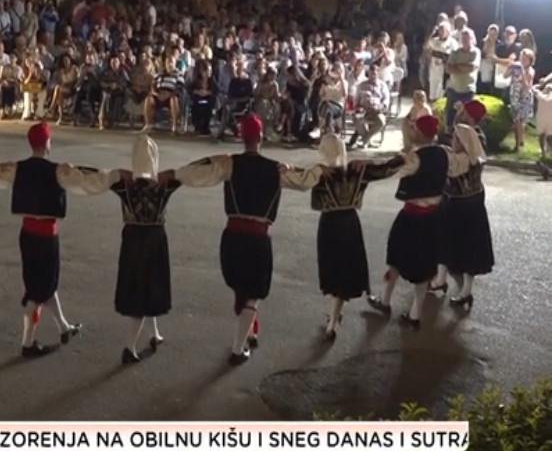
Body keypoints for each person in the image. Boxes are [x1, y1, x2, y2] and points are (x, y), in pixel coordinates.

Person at [164, 114, 324, 364]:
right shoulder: (278, 169)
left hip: (232, 237)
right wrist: (322, 168)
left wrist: (173, 174)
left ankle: (248, 333)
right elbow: (306, 182)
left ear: (241, 137)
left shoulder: (229, 163)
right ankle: (239, 349)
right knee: (253, 293)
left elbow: (199, 172)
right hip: (258, 239)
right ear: (261, 137)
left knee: (241, 288)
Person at [59, 135, 197, 364]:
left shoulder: (123, 182)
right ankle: (129, 347)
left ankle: (154, 333)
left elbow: (93, 178)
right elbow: (192, 173)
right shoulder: (165, 183)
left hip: (132, 238)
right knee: (146, 290)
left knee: (141, 286)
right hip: (154, 239)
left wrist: (114, 174)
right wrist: (172, 173)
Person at [0, 123, 91, 359]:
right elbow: (84, 182)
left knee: (42, 284)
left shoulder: (18, 168)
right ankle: (27, 342)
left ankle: (64, 327)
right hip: (46, 236)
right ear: (47, 143)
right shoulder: (57, 170)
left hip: (27, 234)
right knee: (39, 290)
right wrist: (73, 170)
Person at [367, 115, 472, 330]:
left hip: (411, 217)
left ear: (420, 133)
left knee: (395, 257)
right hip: (433, 218)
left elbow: (388, 170)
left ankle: (385, 301)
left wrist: (361, 170)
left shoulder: (414, 158)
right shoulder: (444, 154)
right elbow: (461, 165)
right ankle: (414, 314)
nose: (411, 130)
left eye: (414, 128)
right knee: (425, 265)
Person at [310, 134, 405, 339]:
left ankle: (333, 321)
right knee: (345, 269)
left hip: (329, 224)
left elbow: (299, 182)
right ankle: (334, 318)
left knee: (333, 269)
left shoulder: (320, 174)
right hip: (350, 222)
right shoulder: (357, 169)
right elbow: (387, 168)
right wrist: (372, 161)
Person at [433, 123, 493, 310]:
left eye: (456, 138)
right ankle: (442, 279)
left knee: (466, 249)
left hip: (463, 208)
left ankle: (465, 291)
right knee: (445, 242)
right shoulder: (476, 158)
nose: (452, 140)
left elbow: (448, 165)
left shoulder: (461, 160)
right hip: (465, 207)